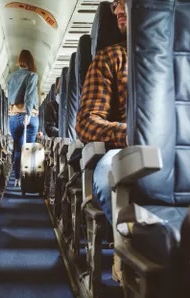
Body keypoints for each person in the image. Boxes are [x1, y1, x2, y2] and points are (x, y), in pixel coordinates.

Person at [75, 0, 127, 282]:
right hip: (124, 150)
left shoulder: (183, 56)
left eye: (126, 2)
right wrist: (129, 133)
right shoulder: (111, 58)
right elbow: (86, 122)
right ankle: (128, 246)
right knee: (108, 176)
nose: (118, 9)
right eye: (116, 3)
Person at [7, 49, 40, 187]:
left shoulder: (11, 77)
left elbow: (10, 98)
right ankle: (28, 179)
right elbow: (29, 95)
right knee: (29, 148)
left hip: (13, 116)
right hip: (30, 116)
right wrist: (27, 114)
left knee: (18, 147)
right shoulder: (32, 76)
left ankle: (17, 178)